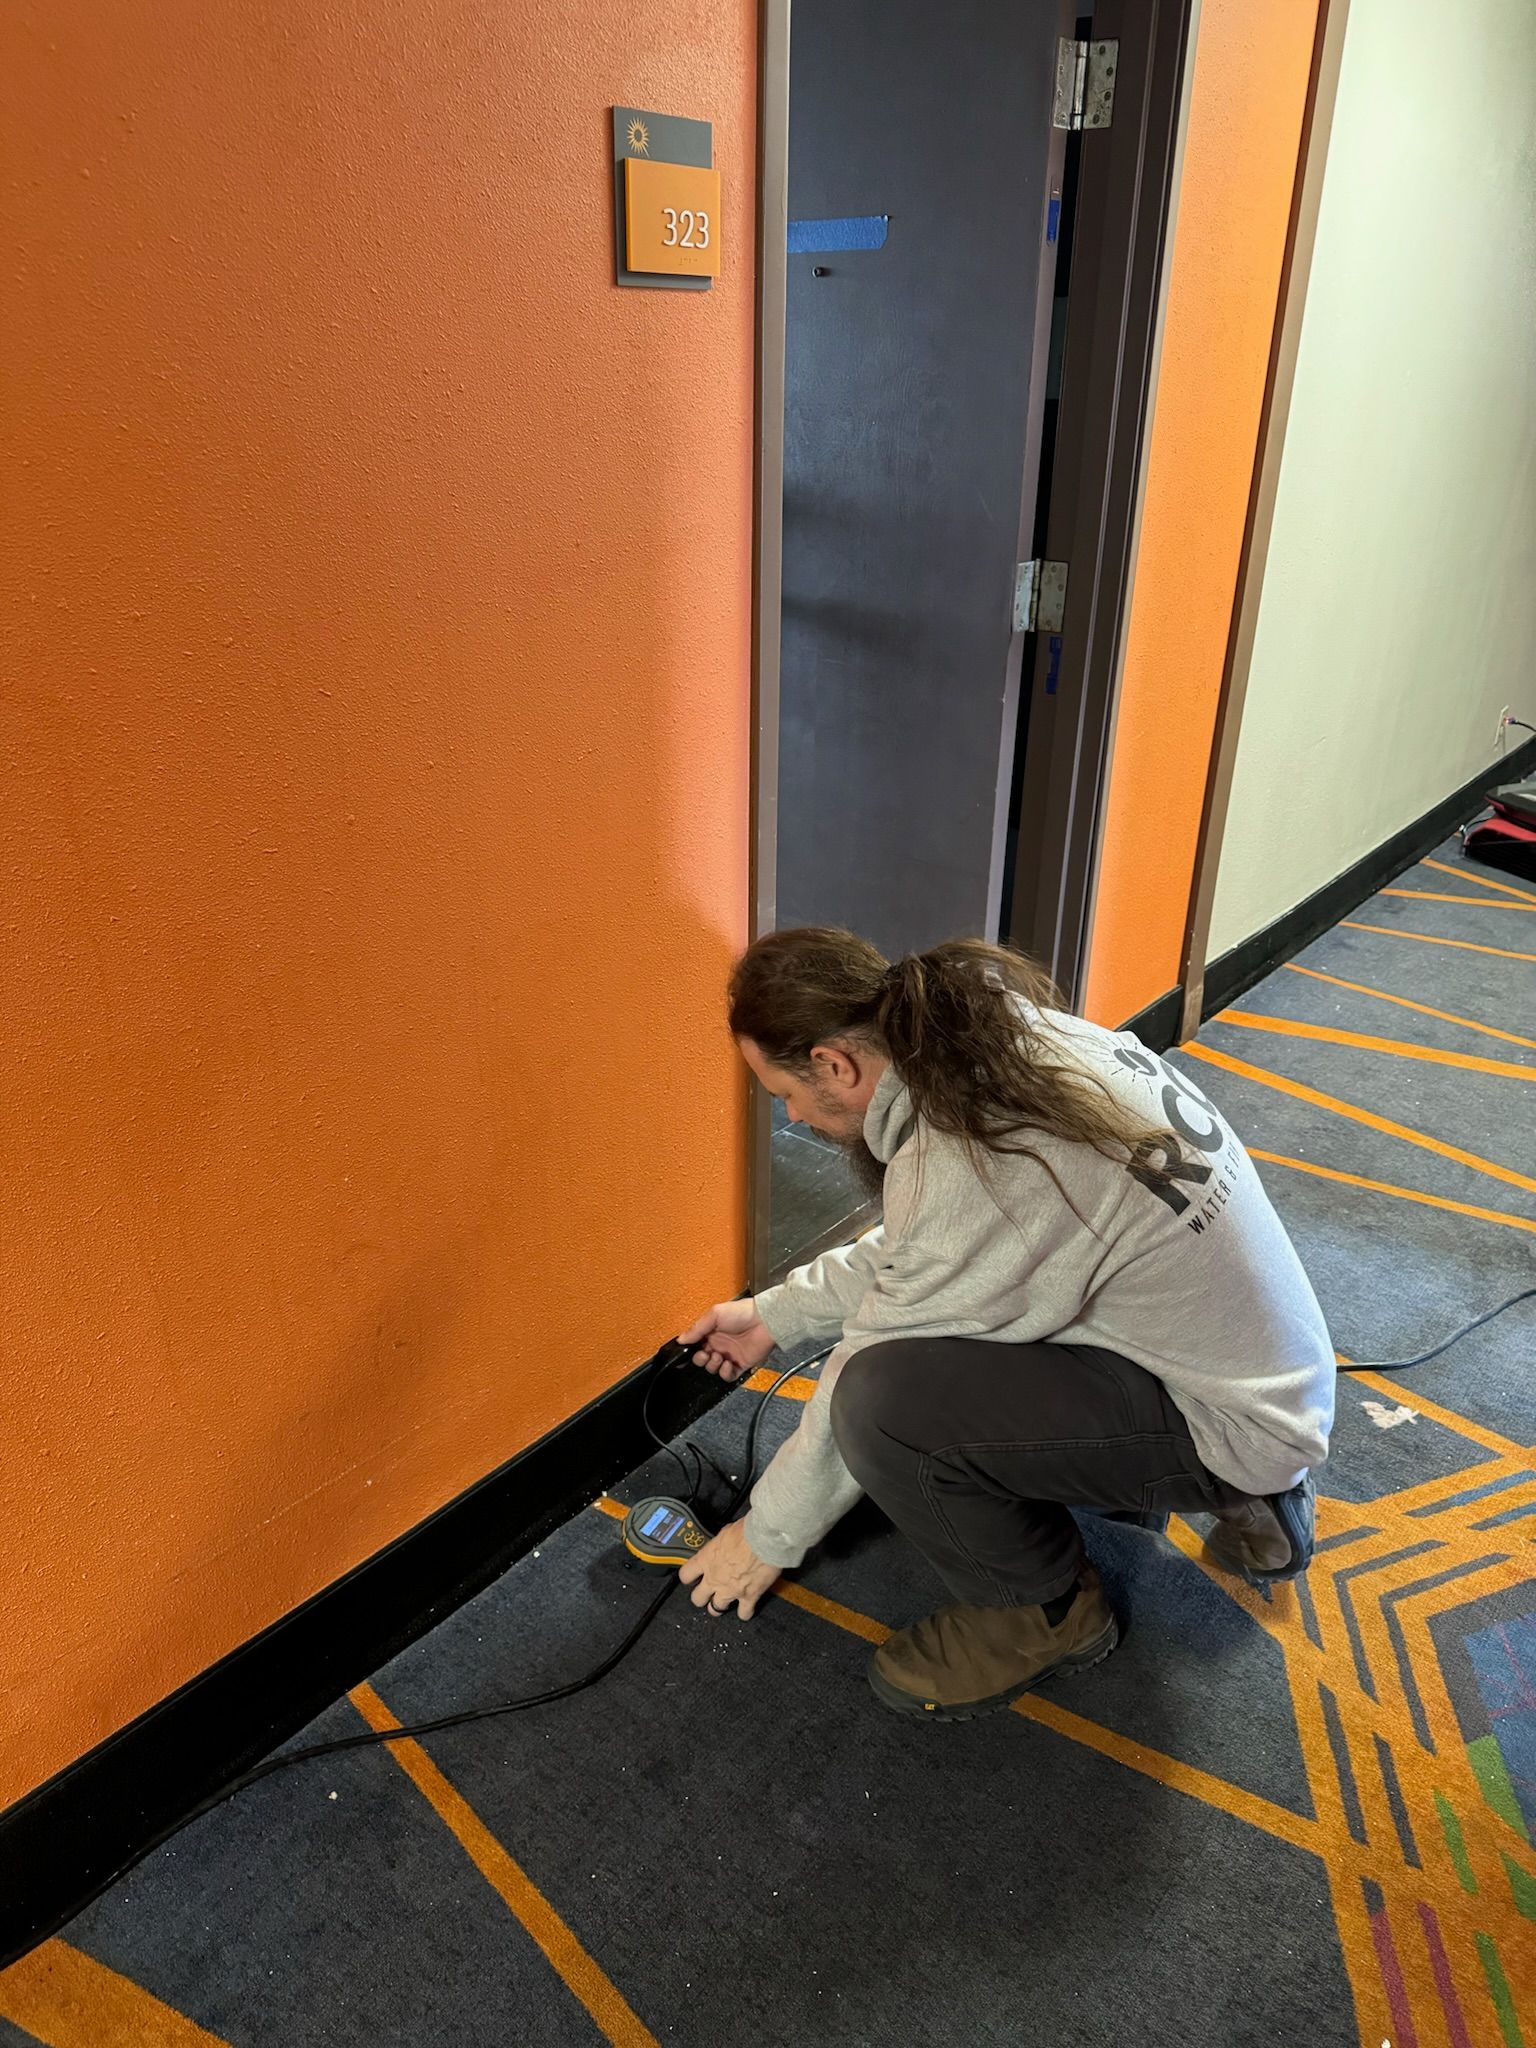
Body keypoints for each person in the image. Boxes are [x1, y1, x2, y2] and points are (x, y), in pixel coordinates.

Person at [675, 929, 1335, 1721]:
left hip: (1229, 1421)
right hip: (1264, 1370)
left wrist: (765, 1539)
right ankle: (1259, 1494)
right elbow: (932, 1240)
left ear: (835, 1065)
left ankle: (1042, 1615)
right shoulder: (1009, 1042)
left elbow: (873, 1349)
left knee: (883, 1404)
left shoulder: (966, 1158)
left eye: (780, 1089)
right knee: (980, 1318)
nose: (789, 1113)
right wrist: (771, 1316)